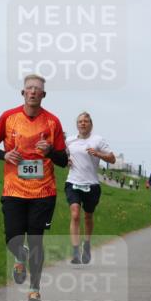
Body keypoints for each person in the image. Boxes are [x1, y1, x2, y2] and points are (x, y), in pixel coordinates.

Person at [0, 74, 68, 301]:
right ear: (23, 93)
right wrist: (4, 155)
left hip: (43, 192)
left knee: (36, 241)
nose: (33, 92)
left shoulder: (53, 122)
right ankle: (19, 258)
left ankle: (34, 290)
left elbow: (63, 160)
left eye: (37, 89)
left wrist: (50, 151)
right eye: (29, 88)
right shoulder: (8, 117)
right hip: (13, 190)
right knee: (12, 238)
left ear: (43, 95)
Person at [65, 112, 116, 264]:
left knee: (88, 216)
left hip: (92, 184)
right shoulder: (70, 140)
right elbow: (63, 155)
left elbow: (112, 159)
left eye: (86, 121)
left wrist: (98, 154)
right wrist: (65, 160)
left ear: (91, 124)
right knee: (75, 214)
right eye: (80, 121)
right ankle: (75, 252)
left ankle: (86, 245)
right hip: (73, 182)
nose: (82, 123)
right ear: (77, 124)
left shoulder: (98, 140)